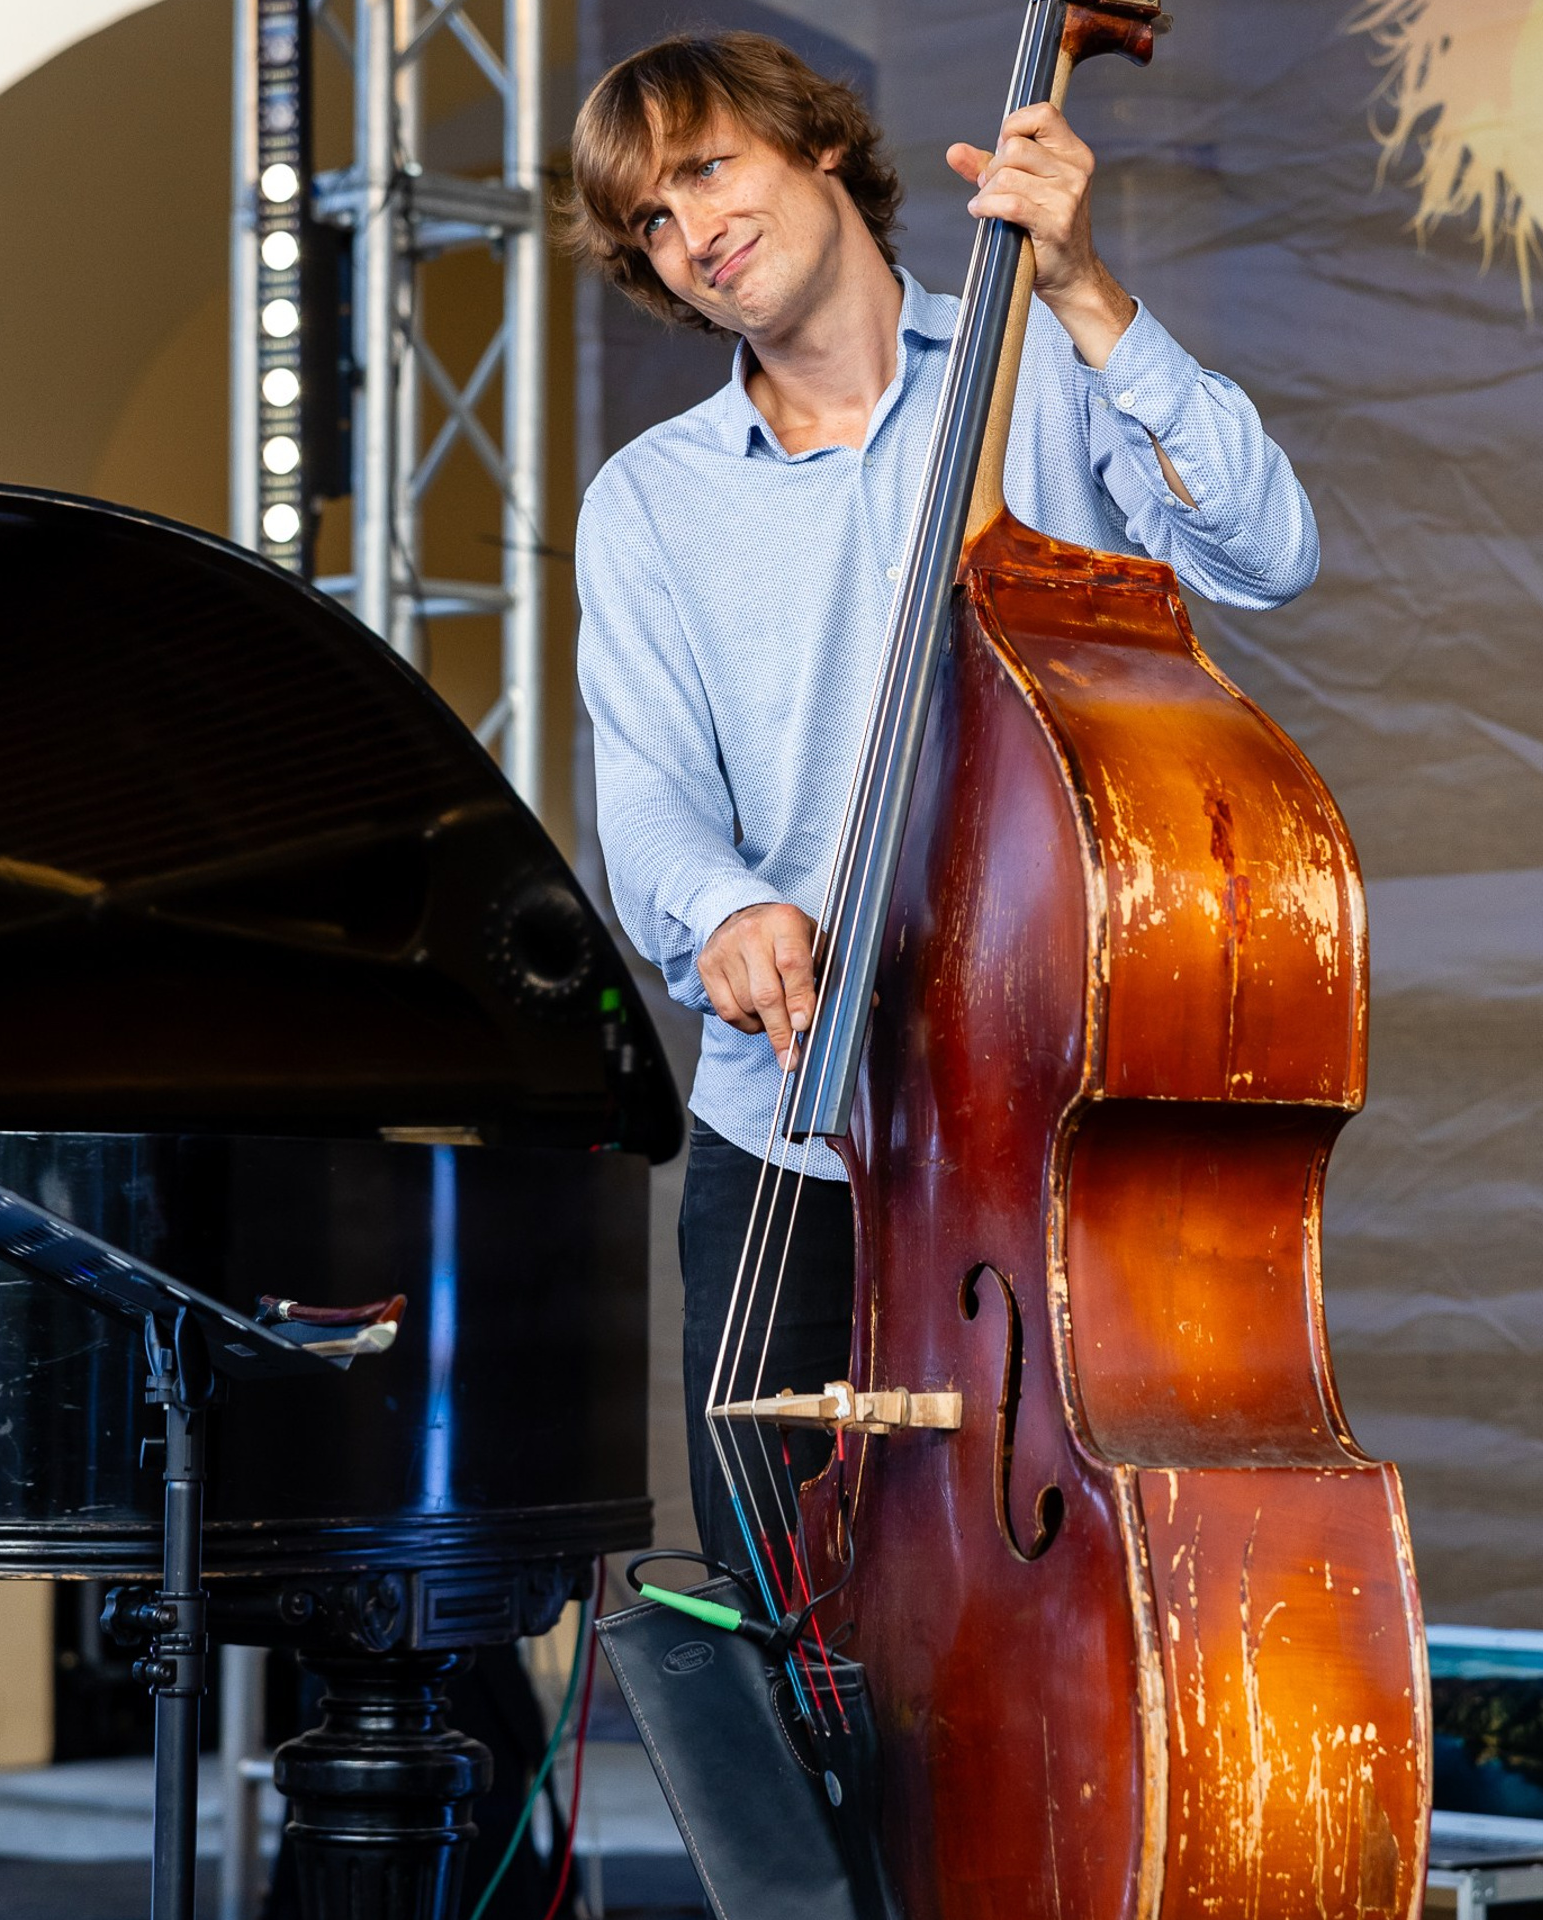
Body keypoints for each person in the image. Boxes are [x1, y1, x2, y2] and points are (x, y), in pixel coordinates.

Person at [564, 31, 1318, 1566]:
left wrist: (1087, 295)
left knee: (1079, 1580)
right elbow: (646, 811)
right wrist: (728, 908)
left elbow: (1268, 553)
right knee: (782, 1609)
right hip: (789, 1136)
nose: (692, 229)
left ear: (818, 143)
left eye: (707, 168)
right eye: (651, 216)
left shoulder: (1043, 367)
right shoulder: (648, 503)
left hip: (1052, 1118)